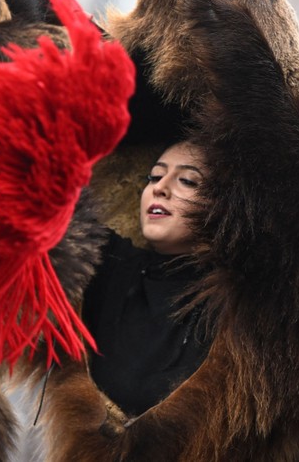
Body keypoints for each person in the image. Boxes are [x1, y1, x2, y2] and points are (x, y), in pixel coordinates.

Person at [80, 140, 213, 417]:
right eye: (154, 176)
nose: (160, 188)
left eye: (188, 181)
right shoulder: (109, 264)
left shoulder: (244, 301)